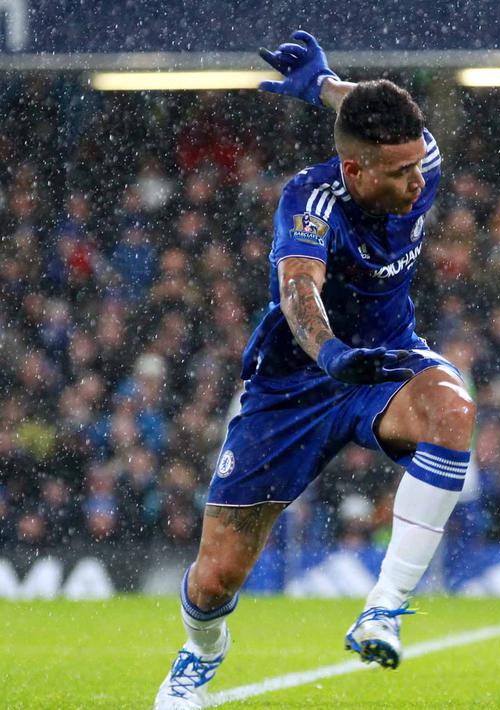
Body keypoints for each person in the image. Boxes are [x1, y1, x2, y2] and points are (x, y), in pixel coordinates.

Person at [153, 32, 475, 709]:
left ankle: (383, 608)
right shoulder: (309, 199)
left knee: (453, 410)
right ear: (355, 173)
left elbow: (375, 112)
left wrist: (325, 83)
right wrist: (332, 355)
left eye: (420, 166)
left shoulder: (420, 159)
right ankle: (200, 654)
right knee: (216, 579)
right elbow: (299, 294)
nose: (419, 183)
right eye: (400, 174)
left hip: (385, 360)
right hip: (295, 382)